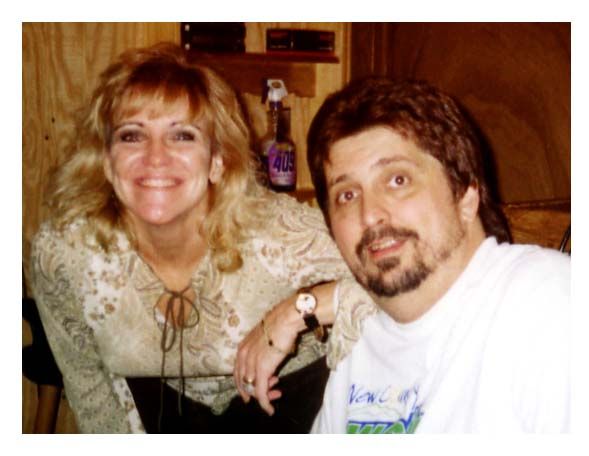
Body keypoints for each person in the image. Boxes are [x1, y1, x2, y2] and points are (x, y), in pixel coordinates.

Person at [28, 42, 369, 433]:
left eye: (183, 136)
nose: (156, 157)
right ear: (106, 161)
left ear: (217, 161)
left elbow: (411, 294)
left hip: (296, 408)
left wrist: (295, 312)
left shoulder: (281, 234)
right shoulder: (63, 255)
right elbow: (90, 387)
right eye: (132, 136)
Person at [303, 77, 571, 433]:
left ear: (466, 196)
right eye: (347, 195)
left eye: (397, 180)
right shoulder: (358, 346)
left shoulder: (550, 306)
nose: (369, 215)